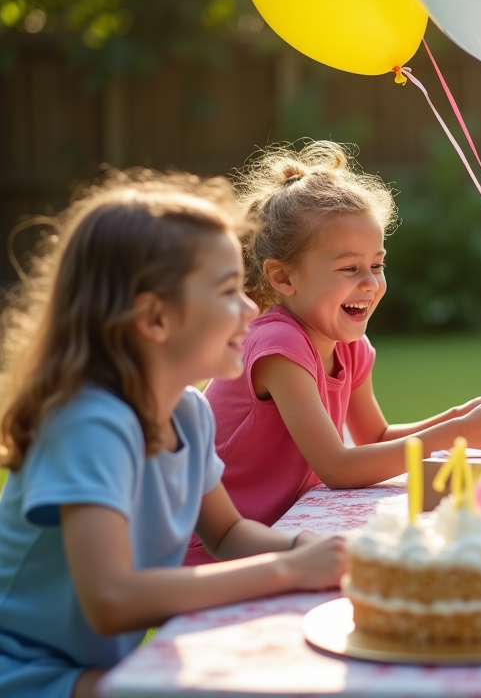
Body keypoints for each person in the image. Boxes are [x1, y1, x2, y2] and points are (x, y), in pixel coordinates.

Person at [0, 172, 345, 698]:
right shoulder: (89, 425)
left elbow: (227, 534)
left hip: (77, 666)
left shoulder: (187, 412)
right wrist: (290, 570)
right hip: (23, 671)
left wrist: (312, 548)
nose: (251, 309)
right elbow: (112, 598)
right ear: (154, 317)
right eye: (228, 290)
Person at [191, 141, 481, 562]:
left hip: (295, 532)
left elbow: (374, 439)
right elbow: (338, 467)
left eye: (377, 264)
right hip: (230, 547)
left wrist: (458, 416)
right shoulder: (278, 346)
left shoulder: (349, 347)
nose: (370, 283)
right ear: (282, 277)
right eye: (349, 268)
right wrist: (456, 434)